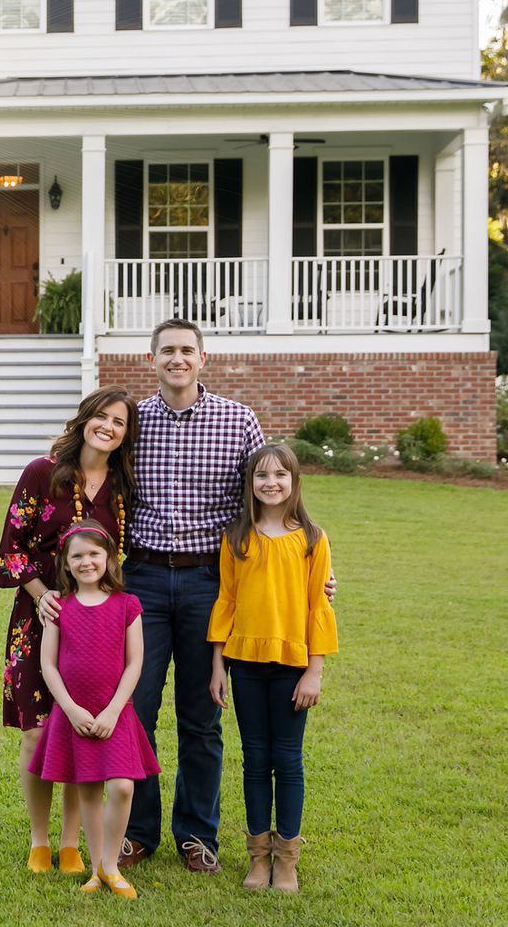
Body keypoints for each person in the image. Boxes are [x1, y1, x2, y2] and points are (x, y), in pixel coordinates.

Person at [41, 319, 331, 875]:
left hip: (210, 583)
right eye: (167, 351)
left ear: (203, 358)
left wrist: (308, 568)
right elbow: (92, 481)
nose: (177, 359)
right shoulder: (136, 422)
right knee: (136, 708)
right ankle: (139, 832)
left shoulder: (237, 420)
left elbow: (268, 497)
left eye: (187, 351)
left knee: (202, 716)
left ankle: (197, 835)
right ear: (152, 360)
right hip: (144, 580)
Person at [0, 387, 138, 875]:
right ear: (84, 420)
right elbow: (12, 546)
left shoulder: (120, 487)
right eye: (101, 417)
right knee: (36, 733)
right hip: (39, 617)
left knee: (81, 731)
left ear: (124, 434)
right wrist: (42, 595)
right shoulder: (43, 473)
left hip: (93, 627)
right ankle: (39, 840)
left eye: (118, 422)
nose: (108, 427)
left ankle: (72, 843)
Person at [209, 443, 337, 893]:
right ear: (250, 484)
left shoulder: (312, 539)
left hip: (291, 665)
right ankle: (258, 858)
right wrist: (217, 665)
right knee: (255, 761)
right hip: (244, 663)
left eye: (280, 475)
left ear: (294, 481)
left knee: (288, 759)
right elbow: (226, 601)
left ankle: (287, 860)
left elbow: (318, 606)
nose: (271, 483)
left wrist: (314, 670)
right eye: (262, 475)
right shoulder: (236, 537)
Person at [27, 521, 160, 899]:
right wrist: (70, 710)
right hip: (75, 716)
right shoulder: (59, 609)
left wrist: (113, 710)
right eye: (78, 556)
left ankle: (110, 864)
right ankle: (97, 868)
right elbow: (48, 665)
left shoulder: (127, 605)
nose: (87, 562)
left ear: (109, 559)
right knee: (87, 790)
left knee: (121, 786)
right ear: (66, 564)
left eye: (94, 554)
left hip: (114, 714)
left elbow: (135, 663)